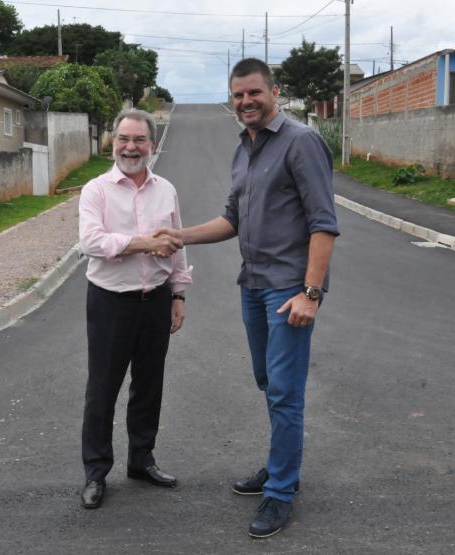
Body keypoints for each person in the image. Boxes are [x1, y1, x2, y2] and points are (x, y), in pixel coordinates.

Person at [155, 58, 338, 538]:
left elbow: (323, 223)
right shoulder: (244, 149)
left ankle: (281, 491)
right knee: (268, 381)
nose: (245, 102)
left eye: (254, 92)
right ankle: (281, 466)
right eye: (238, 95)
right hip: (253, 286)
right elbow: (231, 219)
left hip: (288, 290)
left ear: (274, 92)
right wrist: (179, 236)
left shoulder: (301, 142)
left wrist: (311, 293)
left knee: (285, 390)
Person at [77, 108, 192, 510]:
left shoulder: (166, 190)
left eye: (140, 139)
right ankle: (96, 472)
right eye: (124, 138)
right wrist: (145, 243)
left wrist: (178, 294)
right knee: (102, 388)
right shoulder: (96, 190)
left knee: (149, 385)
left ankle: (141, 460)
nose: (131, 147)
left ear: (152, 144)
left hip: (156, 300)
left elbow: (176, 245)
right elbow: (92, 242)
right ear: (113, 141)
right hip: (110, 301)